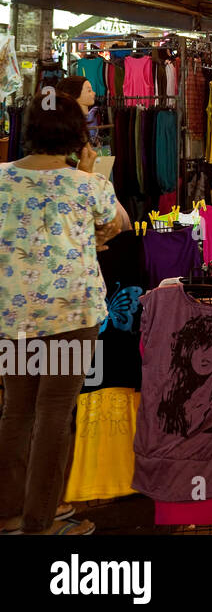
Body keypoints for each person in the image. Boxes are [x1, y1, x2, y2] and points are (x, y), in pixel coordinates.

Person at [0, 94, 130, 535]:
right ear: (78, 135)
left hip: (12, 316)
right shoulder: (86, 185)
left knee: (16, 410)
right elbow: (121, 223)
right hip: (71, 315)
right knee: (56, 411)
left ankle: (8, 513)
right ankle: (42, 520)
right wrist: (88, 171)